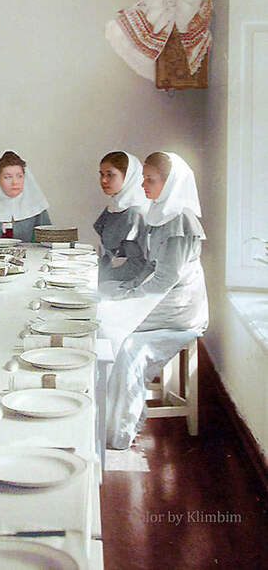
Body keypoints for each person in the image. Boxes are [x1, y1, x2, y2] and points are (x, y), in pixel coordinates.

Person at [106, 152, 209, 449]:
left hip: (181, 307)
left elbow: (167, 279)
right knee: (108, 312)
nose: (143, 185)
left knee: (117, 332)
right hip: (165, 298)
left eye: (150, 180)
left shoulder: (182, 220)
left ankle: (120, 428)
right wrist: (129, 288)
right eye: (143, 178)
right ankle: (106, 414)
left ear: (171, 183)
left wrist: (132, 300)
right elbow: (151, 266)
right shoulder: (161, 213)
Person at [93, 151, 148, 283]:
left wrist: (102, 278)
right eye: (101, 174)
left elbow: (138, 264)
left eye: (110, 175)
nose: (103, 180)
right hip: (113, 275)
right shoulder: (116, 205)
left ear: (128, 176)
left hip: (130, 282)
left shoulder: (135, 212)